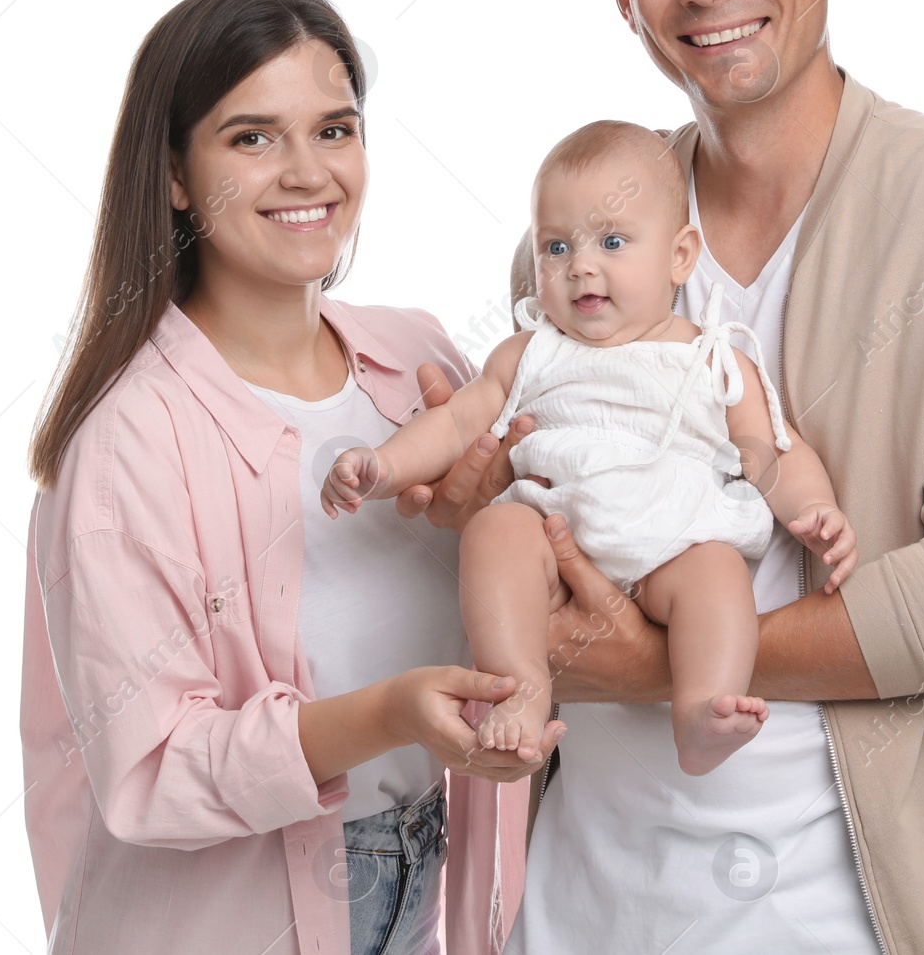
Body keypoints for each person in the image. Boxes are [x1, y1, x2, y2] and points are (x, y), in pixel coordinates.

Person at [403, 0, 924, 954]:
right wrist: (475, 506)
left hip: (864, 920)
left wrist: (652, 665)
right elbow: (555, 532)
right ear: (626, 0)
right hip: (580, 910)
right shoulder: (578, 244)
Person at [19, 0, 558, 955]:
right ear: (176, 173)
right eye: (252, 137)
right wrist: (386, 714)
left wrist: (501, 519)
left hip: (424, 888)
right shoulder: (129, 438)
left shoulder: (421, 365)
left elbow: (549, 575)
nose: (308, 172)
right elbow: (151, 769)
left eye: (335, 129)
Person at [321, 121, 857, 776]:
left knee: (717, 577)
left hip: (676, 540)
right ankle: (521, 687)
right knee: (495, 532)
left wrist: (816, 508)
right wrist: (385, 466)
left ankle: (701, 706)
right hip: (553, 530)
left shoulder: (712, 356)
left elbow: (773, 448)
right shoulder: (532, 351)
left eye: (611, 241)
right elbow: (459, 421)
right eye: (556, 246)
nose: (581, 264)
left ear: (680, 255)